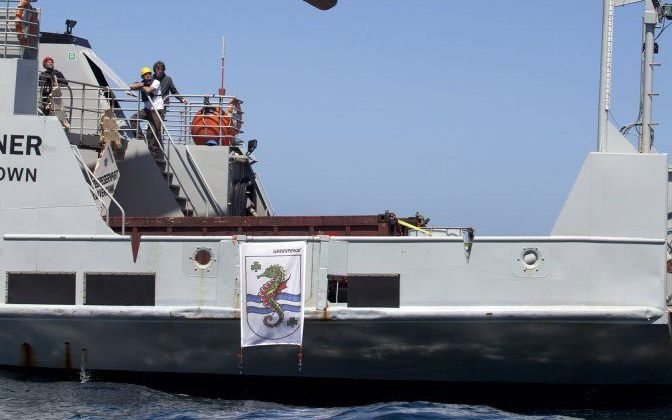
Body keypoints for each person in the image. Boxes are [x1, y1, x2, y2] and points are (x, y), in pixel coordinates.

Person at [129, 67, 165, 161]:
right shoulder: (142, 82)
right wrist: (142, 84)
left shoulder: (156, 82)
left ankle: (154, 154)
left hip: (157, 110)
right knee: (133, 119)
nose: (148, 75)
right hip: (147, 110)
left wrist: (141, 86)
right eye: (145, 74)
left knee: (155, 131)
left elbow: (149, 90)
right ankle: (141, 140)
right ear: (143, 76)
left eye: (149, 73)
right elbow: (131, 86)